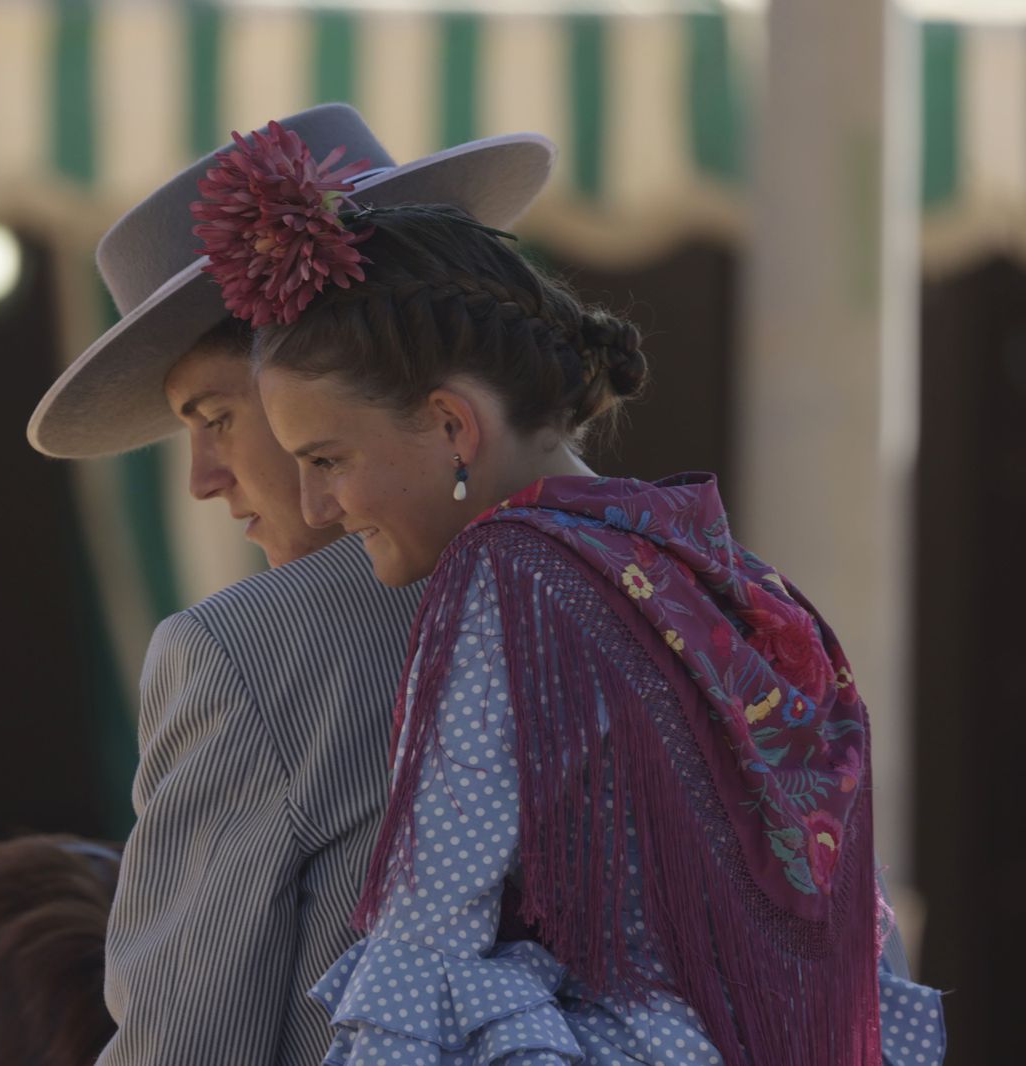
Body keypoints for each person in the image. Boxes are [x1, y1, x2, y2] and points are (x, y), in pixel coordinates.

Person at [193, 129, 945, 1063]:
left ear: (450, 424)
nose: (315, 505)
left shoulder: (506, 570)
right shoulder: (720, 572)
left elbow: (436, 911)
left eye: (328, 460)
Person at [26, 106, 556, 1064]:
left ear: (321, 373)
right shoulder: (685, 577)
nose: (200, 478)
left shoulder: (244, 654)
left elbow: (183, 1050)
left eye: (217, 417)